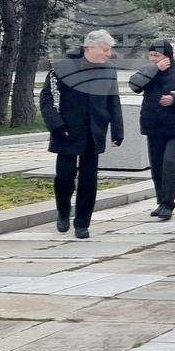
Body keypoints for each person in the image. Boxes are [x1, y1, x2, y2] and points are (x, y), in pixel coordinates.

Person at [41, 30, 123, 239]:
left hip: (94, 131)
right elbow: (47, 99)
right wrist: (56, 126)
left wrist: (117, 130)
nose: (108, 54)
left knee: (89, 180)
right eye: (105, 50)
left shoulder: (109, 70)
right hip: (66, 130)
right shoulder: (62, 67)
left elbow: (113, 101)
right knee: (65, 177)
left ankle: (83, 223)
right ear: (91, 47)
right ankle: (63, 212)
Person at [128, 39, 175, 221]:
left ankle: (168, 204)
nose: (154, 58)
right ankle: (161, 201)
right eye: (151, 55)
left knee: (170, 164)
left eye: (158, 55)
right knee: (157, 167)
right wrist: (155, 69)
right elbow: (134, 86)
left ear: (168, 56)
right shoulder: (148, 70)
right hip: (153, 126)